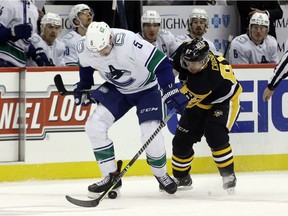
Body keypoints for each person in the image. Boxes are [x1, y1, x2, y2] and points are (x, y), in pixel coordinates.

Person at [73, 21, 188, 197]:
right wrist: (84, 84)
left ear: (110, 37)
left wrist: (169, 90)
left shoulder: (129, 42)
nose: (102, 54)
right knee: (94, 126)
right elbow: (85, 64)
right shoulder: (84, 47)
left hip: (147, 89)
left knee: (151, 134)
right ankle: (110, 176)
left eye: (104, 48)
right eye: (97, 51)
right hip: (118, 88)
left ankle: (161, 175)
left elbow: (162, 64)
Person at [170, 38, 242, 193]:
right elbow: (169, 65)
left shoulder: (206, 79)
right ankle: (182, 177)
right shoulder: (185, 52)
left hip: (224, 100)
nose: (190, 66)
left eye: (195, 63)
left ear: (205, 60)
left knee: (215, 133)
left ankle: (228, 175)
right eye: (188, 62)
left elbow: (182, 101)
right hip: (201, 101)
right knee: (181, 140)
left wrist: (169, 103)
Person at [0, 0, 38, 67]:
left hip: (21, 65)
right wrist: (11, 33)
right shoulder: (7, 2)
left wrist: (35, 53)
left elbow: (25, 40)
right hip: (3, 60)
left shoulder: (34, 9)